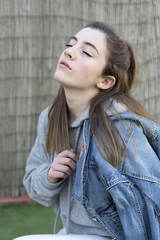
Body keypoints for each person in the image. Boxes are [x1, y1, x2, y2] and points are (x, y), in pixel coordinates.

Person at [16, 21, 160, 240]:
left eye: (85, 52)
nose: (69, 52)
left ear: (105, 81)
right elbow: (37, 191)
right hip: (72, 234)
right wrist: (50, 175)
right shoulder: (50, 117)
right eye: (70, 44)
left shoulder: (120, 127)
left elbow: (153, 199)